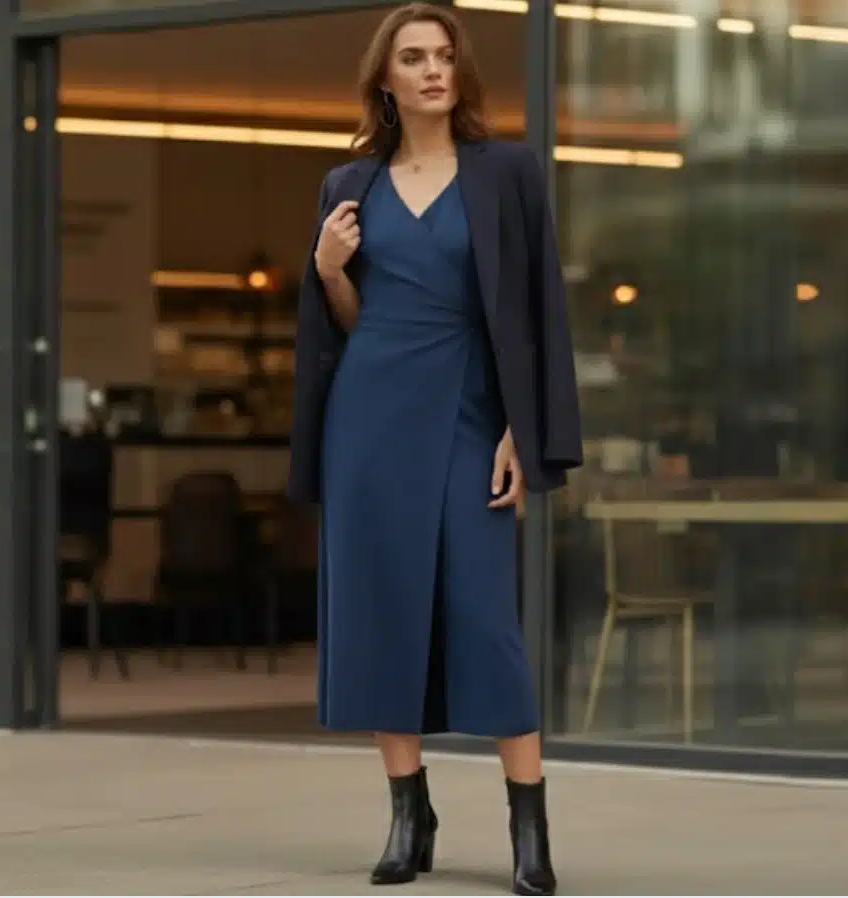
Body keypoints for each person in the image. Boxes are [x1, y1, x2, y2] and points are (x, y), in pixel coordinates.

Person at [285, 3, 581, 894]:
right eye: (413, 57)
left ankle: (528, 823)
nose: (431, 71)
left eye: (445, 56)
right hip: (369, 417)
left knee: (485, 619)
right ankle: (408, 811)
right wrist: (330, 270)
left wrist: (518, 435)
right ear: (386, 77)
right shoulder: (350, 185)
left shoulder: (505, 174)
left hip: (467, 413)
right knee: (381, 609)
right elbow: (352, 325)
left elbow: (534, 316)